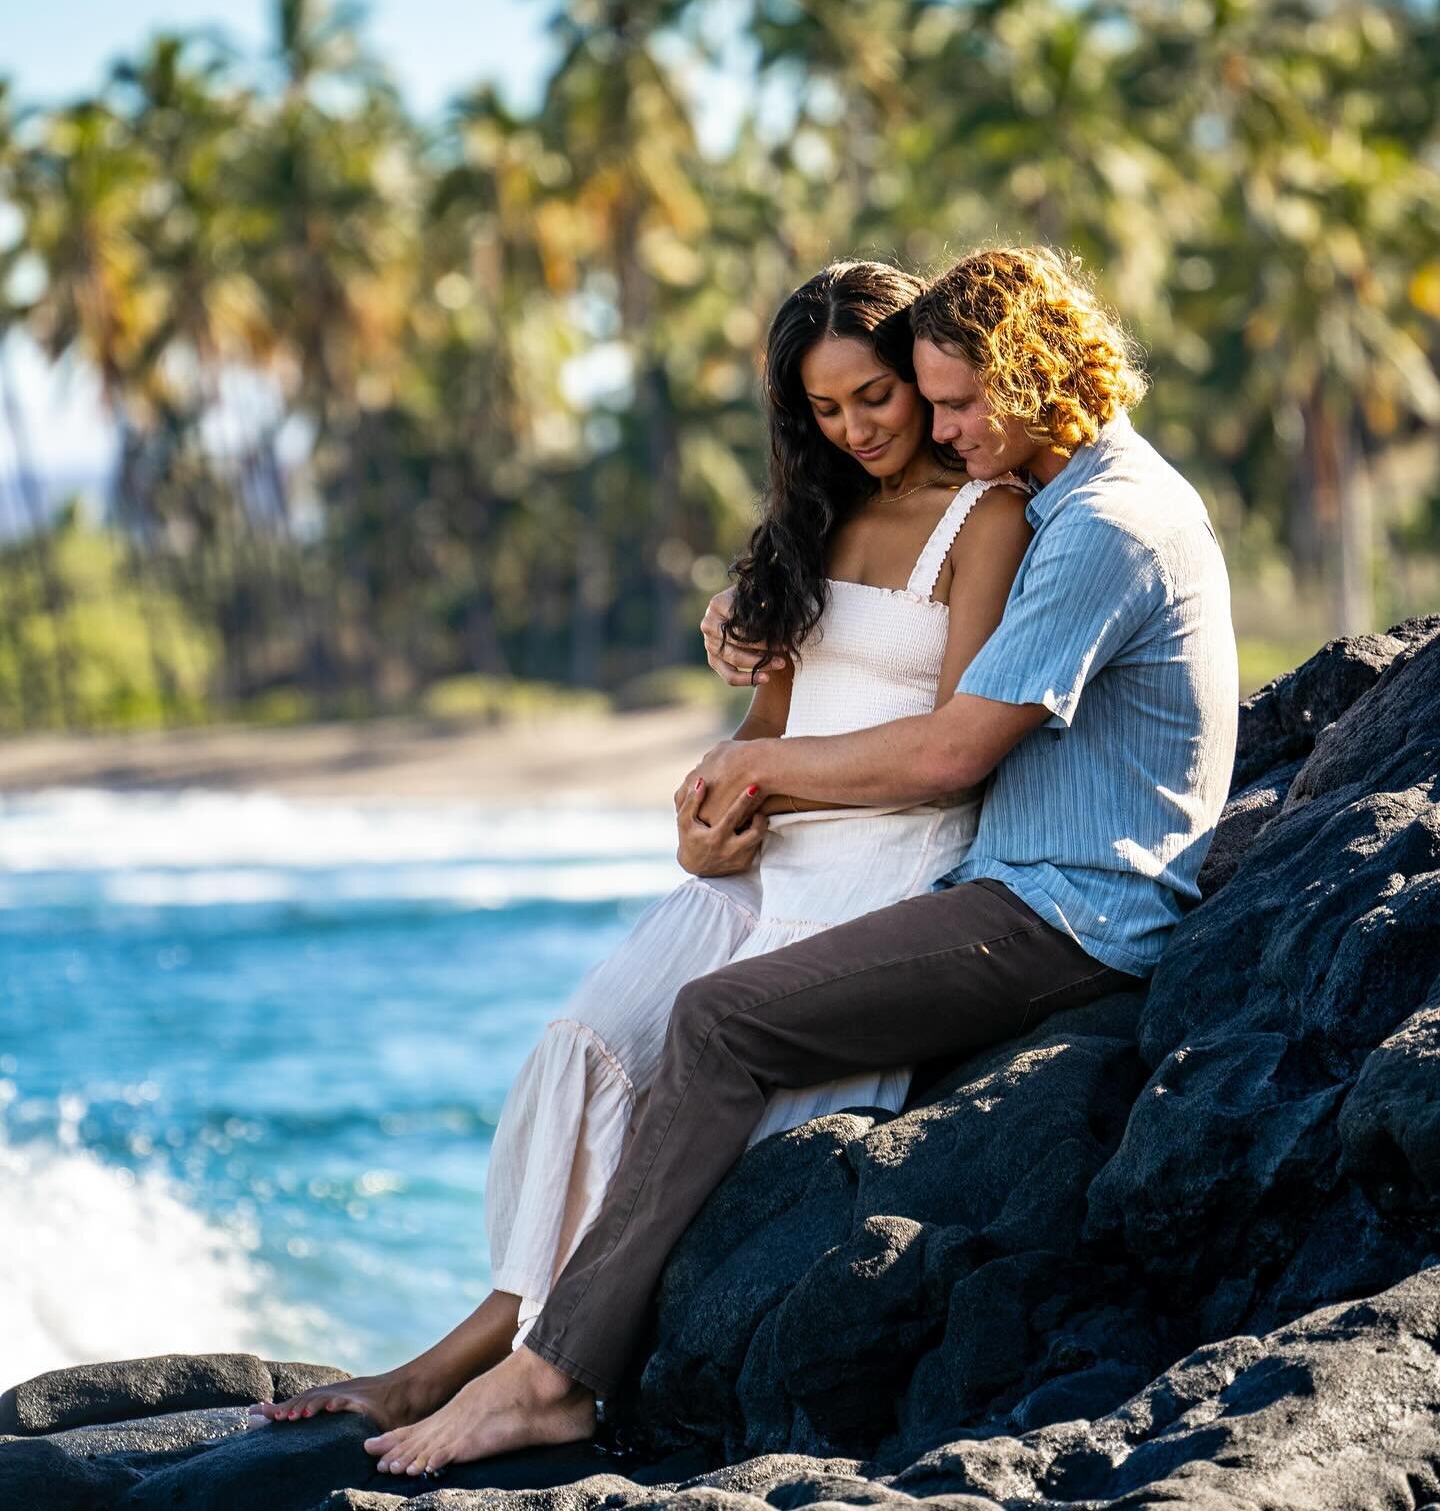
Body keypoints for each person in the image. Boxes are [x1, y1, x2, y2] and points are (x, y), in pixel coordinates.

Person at [348, 244, 1239, 1480]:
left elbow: (950, 753)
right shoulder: (1077, 495)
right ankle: (508, 1337)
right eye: (925, 401)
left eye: (959, 403)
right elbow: (824, 668)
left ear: (1042, 375)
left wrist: (760, 773)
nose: (938, 428)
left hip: (1067, 909)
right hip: (1017, 883)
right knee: (630, 1033)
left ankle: (553, 1379)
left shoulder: (1100, 521)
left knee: (718, 1024)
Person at [249, 259, 1034, 1460]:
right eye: (824, 411)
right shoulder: (813, 522)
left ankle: (496, 1370)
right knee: (595, 1044)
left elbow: (950, 747)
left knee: (702, 1088)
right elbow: (769, 726)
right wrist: (707, 818)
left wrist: (764, 775)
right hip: (765, 856)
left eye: (875, 396)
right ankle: (484, 1346)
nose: (859, 429)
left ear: (922, 369)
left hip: (889, 864)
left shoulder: (989, 520)